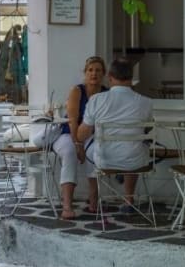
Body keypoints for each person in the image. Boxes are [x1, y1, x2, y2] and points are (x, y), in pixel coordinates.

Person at [76, 58, 153, 212]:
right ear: (131, 79)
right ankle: (129, 199)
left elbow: (82, 135)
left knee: (91, 148)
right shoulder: (146, 102)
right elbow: (147, 129)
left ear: (109, 77)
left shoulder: (96, 100)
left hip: (104, 160)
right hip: (135, 162)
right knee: (136, 147)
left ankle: (94, 199)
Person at [55, 56, 107, 220]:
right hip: (69, 133)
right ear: (85, 73)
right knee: (70, 153)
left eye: (98, 70)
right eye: (90, 70)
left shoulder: (106, 93)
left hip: (94, 135)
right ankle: (67, 205)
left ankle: (93, 200)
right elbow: (72, 120)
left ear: (103, 74)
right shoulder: (77, 91)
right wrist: (77, 144)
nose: (94, 74)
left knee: (95, 151)